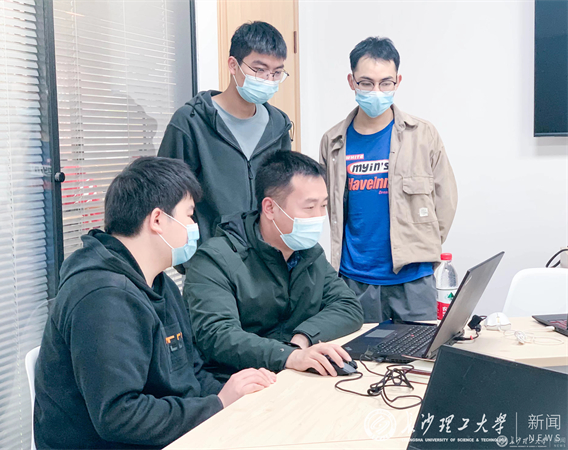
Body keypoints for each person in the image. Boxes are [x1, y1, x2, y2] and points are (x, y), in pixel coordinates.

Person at [34, 157, 276, 450]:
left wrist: (237, 399)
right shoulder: (102, 297)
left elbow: (191, 372)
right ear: (158, 220)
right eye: (189, 216)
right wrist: (218, 405)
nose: (194, 227)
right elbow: (118, 416)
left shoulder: (160, 283)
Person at [184, 151, 364, 379]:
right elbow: (217, 335)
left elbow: (348, 306)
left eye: (323, 205)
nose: (319, 217)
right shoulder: (215, 259)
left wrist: (302, 339)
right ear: (270, 208)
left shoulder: (309, 253)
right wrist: (288, 355)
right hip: (236, 381)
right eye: (309, 208)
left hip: (293, 375)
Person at [319, 37, 458, 323]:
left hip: (413, 280)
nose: (376, 91)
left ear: (398, 81)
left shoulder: (423, 135)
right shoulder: (333, 141)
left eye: (385, 83)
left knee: (419, 351)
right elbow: (326, 207)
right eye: (366, 83)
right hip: (353, 280)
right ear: (351, 81)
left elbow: (446, 202)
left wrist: (419, 245)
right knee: (357, 352)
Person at [158, 21, 292, 248]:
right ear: (233, 65)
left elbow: (282, 194)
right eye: (259, 70)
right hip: (210, 259)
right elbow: (166, 199)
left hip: (264, 257)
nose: (269, 80)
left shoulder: (278, 125)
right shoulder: (191, 122)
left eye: (276, 72)